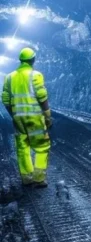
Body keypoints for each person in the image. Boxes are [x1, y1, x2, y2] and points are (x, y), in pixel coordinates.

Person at [1, 47, 52, 188]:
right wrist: (47, 115)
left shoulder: (9, 77)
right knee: (42, 147)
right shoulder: (36, 75)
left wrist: (13, 114)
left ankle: (27, 178)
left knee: (22, 147)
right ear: (33, 60)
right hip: (35, 117)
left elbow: (5, 99)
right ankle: (39, 178)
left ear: (20, 60)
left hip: (18, 118)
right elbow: (42, 97)